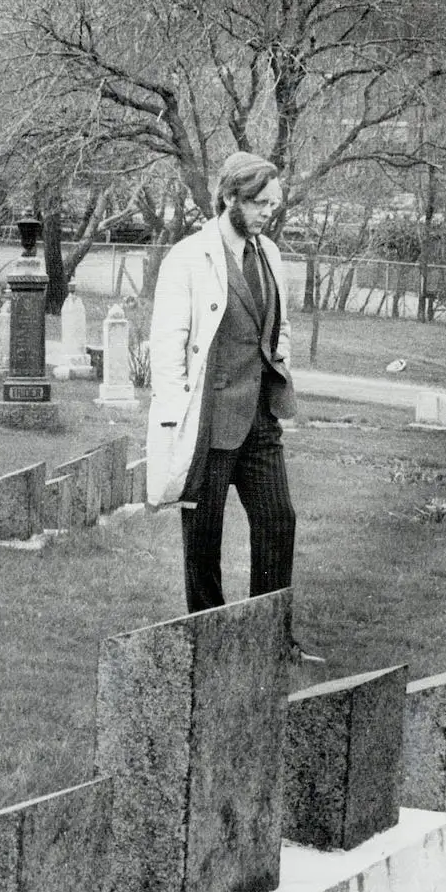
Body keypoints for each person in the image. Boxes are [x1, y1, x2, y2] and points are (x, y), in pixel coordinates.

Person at [145, 151, 305, 632]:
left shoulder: (269, 254)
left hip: (260, 420)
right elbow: (168, 346)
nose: (266, 213)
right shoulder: (189, 258)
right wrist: (174, 420)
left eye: (272, 205)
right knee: (203, 541)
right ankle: (208, 638)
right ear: (229, 197)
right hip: (207, 422)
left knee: (279, 521)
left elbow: (282, 329)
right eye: (258, 203)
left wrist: (280, 371)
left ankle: (268, 637)